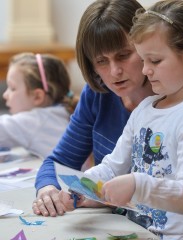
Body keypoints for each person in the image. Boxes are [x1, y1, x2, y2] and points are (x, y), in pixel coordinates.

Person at [59, 0, 183, 239]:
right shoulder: (146, 107)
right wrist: (83, 186)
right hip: (137, 232)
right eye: (144, 60)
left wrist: (137, 184)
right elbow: (112, 166)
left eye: (155, 61)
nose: (145, 70)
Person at [32, 0, 154, 217]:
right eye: (101, 61)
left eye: (123, 55)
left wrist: (108, 200)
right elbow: (58, 162)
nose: (115, 71)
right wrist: (47, 189)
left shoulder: (172, 103)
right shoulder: (97, 95)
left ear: (146, 46)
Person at [0, 52, 78, 158]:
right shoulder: (64, 110)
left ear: (37, 96)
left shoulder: (36, 120)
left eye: (13, 88)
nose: (5, 95)